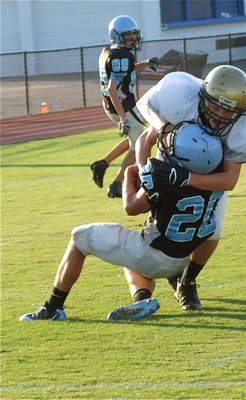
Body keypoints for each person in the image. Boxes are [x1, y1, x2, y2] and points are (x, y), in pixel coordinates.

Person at [19, 123, 224, 322]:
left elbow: (131, 207)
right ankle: (143, 298)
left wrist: (128, 175)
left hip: (154, 255)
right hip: (187, 258)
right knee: (126, 252)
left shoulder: (167, 177)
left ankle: (53, 307)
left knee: (79, 237)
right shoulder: (218, 179)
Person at [125, 65, 246, 312]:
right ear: (203, 98)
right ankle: (148, 287)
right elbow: (144, 140)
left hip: (207, 181)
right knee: (154, 228)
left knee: (212, 232)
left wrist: (185, 178)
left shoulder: (243, 128)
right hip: (166, 170)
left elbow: (229, 180)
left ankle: (187, 280)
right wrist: (144, 171)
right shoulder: (180, 102)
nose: (219, 115)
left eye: (228, 112)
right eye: (215, 106)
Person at [90, 15, 160, 197]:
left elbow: (125, 70)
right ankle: (117, 184)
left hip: (114, 105)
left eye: (133, 35)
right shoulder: (121, 55)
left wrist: (144, 64)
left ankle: (102, 164)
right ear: (117, 36)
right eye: (128, 36)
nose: (133, 39)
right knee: (141, 144)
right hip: (122, 106)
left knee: (135, 139)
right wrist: (123, 118)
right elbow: (112, 88)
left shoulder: (109, 51)